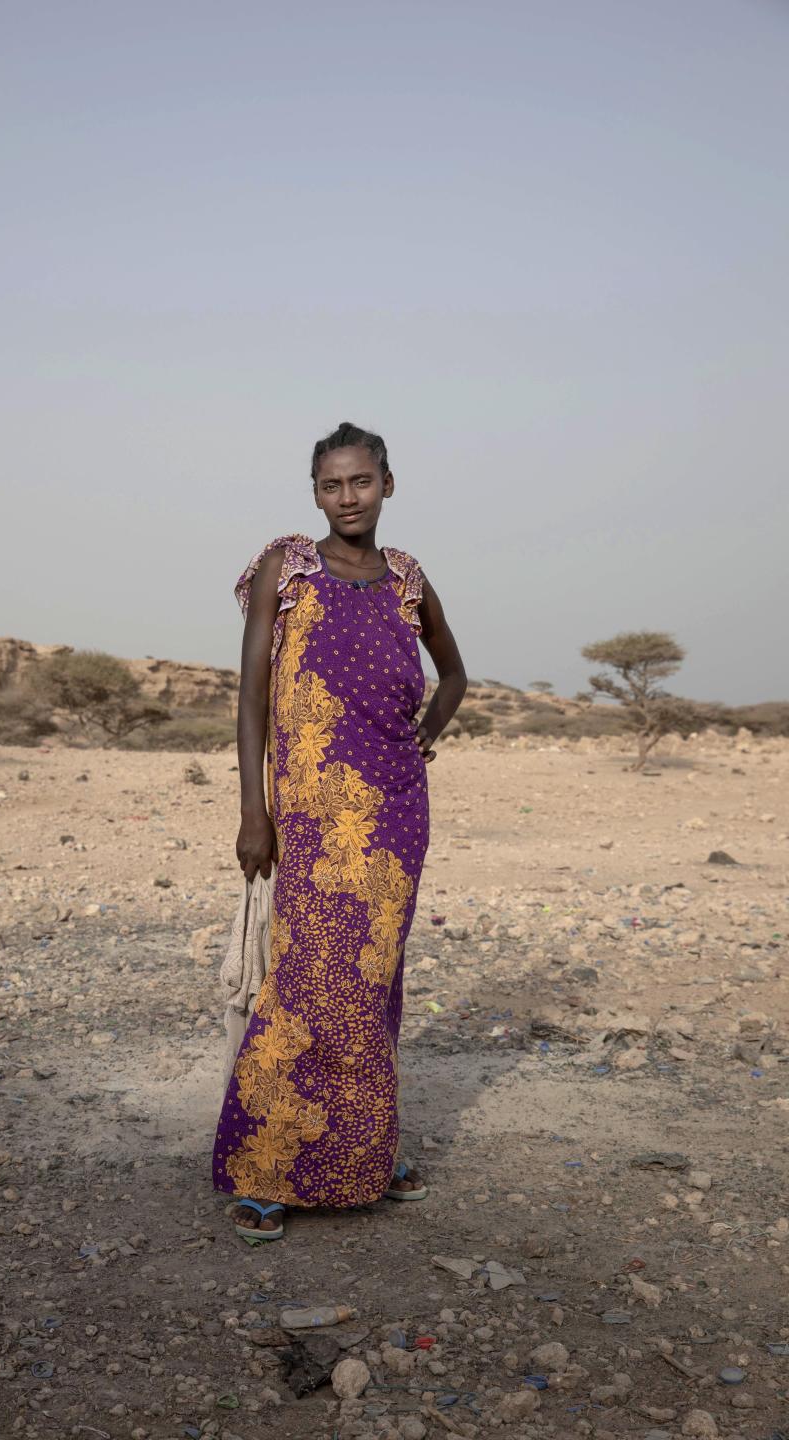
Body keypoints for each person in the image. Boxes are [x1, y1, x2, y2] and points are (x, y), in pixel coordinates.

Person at [212, 420, 468, 1240]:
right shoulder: (285, 567)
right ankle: (270, 1165)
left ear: (387, 484)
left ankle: (371, 1148)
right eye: (331, 485)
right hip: (309, 815)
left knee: (372, 979)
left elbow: (455, 672)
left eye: (361, 482)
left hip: (395, 811)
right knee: (306, 978)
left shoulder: (407, 579)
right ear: (315, 492)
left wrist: (428, 729)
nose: (347, 498)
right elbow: (252, 693)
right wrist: (255, 809)